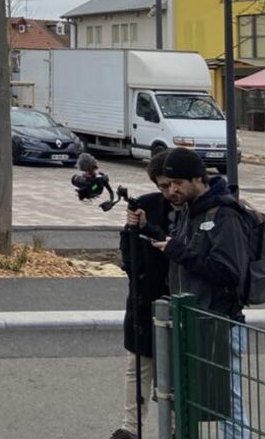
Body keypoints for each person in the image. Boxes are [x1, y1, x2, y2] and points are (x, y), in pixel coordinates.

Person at [152, 148, 250, 439]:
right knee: (192, 395)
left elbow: (228, 272)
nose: (172, 191)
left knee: (227, 401)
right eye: (167, 185)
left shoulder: (224, 216)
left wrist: (178, 252)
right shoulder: (188, 213)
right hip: (193, 321)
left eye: (178, 183)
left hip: (220, 321)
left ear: (198, 179)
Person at [108, 150, 174, 439]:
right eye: (162, 186)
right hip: (143, 297)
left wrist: (151, 229)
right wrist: (131, 263)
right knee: (137, 364)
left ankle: (172, 428)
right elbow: (127, 241)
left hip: (174, 299)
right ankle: (130, 427)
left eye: (171, 184)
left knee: (172, 371)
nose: (169, 191)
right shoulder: (147, 204)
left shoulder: (193, 210)